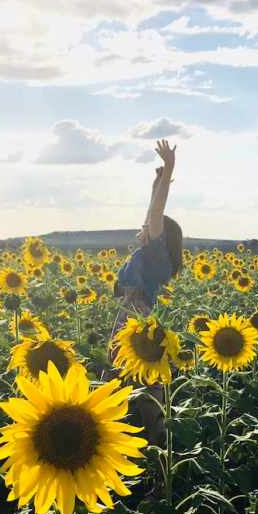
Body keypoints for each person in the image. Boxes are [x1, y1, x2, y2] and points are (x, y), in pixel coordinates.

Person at [108, 139, 182, 445]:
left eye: (149, 226)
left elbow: (156, 215)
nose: (142, 227)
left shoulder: (155, 258)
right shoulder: (154, 255)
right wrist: (156, 183)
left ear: (160, 236)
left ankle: (158, 448)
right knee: (122, 384)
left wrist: (169, 173)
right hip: (129, 316)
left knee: (147, 388)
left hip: (137, 320)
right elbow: (153, 213)